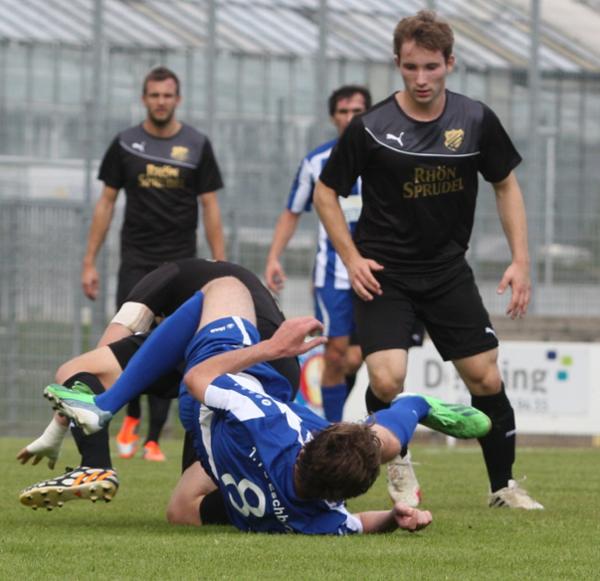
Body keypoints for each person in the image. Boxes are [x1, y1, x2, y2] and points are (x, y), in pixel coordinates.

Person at [41, 276, 492, 534]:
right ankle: (416, 404)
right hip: (230, 459)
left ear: (307, 444)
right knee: (380, 442)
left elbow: (198, 379)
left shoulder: (264, 421)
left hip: (223, 399)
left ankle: (106, 405)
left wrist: (272, 348)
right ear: (334, 498)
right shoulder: (315, 521)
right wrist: (394, 519)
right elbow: (358, 524)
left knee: (225, 286)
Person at [313, 11, 543, 509]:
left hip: (446, 272)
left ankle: (504, 488)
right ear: (397, 63)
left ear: (450, 63)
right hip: (384, 274)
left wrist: (521, 260)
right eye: (411, 67)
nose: (421, 78)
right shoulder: (371, 127)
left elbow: (505, 185)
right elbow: (325, 193)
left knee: (485, 376)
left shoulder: (475, 120)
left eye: (431, 67)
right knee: (386, 378)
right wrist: (351, 258)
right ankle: (397, 462)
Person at [18, 259, 299, 512]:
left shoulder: (162, 276)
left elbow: (102, 357)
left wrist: (57, 429)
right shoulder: (234, 281)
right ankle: (288, 502)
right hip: (281, 373)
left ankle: (94, 465)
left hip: (226, 355)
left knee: (74, 369)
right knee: (186, 504)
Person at [81, 66, 226, 461]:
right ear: (144, 99)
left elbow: (210, 206)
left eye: (167, 95)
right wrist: (89, 261)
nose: (161, 102)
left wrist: (220, 263)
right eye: (155, 95)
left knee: (170, 343)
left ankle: (153, 439)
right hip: (136, 261)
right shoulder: (126, 143)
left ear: (178, 99)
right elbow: (106, 202)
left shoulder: (197, 145)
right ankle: (129, 416)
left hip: (180, 266)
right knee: (128, 337)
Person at [265, 85, 424, 423]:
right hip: (334, 274)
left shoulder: (390, 155)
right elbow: (292, 212)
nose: (350, 118)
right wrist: (274, 256)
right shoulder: (316, 162)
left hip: (382, 271)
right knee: (336, 355)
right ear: (332, 117)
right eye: (343, 111)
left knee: (359, 358)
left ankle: (369, 428)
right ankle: (333, 432)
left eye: (357, 111)